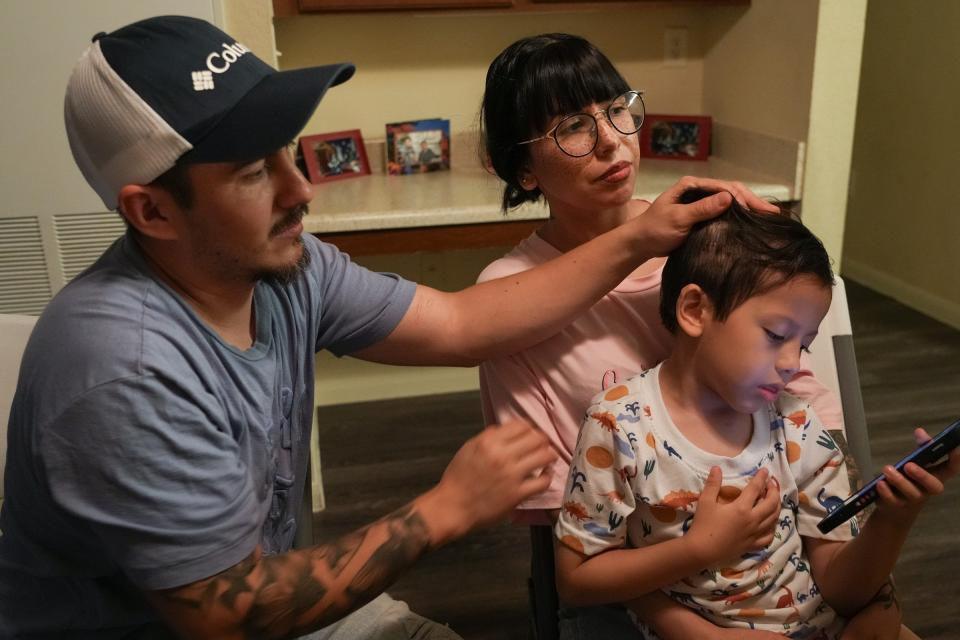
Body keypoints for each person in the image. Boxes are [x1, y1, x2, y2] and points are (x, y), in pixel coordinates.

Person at [0, 16, 749, 640]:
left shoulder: (291, 270)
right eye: (254, 173)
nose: (303, 191)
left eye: (286, 152)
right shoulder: (120, 365)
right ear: (152, 212)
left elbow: (459, 324)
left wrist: (642, 236)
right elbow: (227, 615)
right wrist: (444, 509)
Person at [477, 33, 895, 639]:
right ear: (521, 168)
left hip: (785, 565)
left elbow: (806, 433)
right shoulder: (512, 298)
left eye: (618, 109)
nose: (613, 140)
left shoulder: (708, 235)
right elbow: (567, 535)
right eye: (572, 126)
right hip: (650, 578)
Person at [553, 199, 960, 638]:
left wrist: (894, 519)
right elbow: (576, 581)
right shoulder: (621, 425)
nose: (793, 363)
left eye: (803, 344)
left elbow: (841, 588)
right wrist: (698, 549)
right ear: (694, 310)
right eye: (776, 335)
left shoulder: (797, 425)